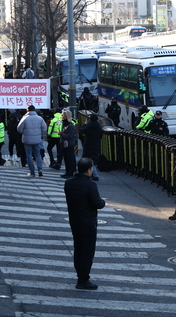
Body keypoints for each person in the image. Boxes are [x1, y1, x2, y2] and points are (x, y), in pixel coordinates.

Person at [63, 157, 106, 290]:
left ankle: (80, 274)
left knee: (78, 248)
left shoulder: (69, 183)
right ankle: (83, 279)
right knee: (87, 251)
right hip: (88, 221)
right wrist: (103, 202)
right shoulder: (90, 185)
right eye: (92, 168)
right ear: (88, 170)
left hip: (74, 220)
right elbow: (97, 203)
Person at [17, 105, 47, 177]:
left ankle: (32, 172)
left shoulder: (24, 118)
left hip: (27, 140)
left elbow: (19, 129)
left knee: (29, 156)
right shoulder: (40, 118)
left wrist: (25, 133)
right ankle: (40, 170)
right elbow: (44, 129)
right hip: (37, 140)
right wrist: (39, 135)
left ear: (27, 110)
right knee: (38, 155)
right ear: (35, 110)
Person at [80, 113, 103, 181]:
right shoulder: (99, 127)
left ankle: (94, 175)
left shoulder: (89, 126)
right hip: (96, 144)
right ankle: (93, 174)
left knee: (88, 159)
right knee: (94, 159)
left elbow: (82, 130)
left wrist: (85, 124)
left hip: (88, 144)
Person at [60, 109, 78, 178]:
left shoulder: (71, 126)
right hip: (65, 144)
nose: (62, 118)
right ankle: (67, 172)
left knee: (70, 159)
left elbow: (70, 136)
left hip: (69, 144)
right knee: (66, 159)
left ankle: (70, 173)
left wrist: (62, 134)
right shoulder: (65, 125)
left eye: (63, 117)